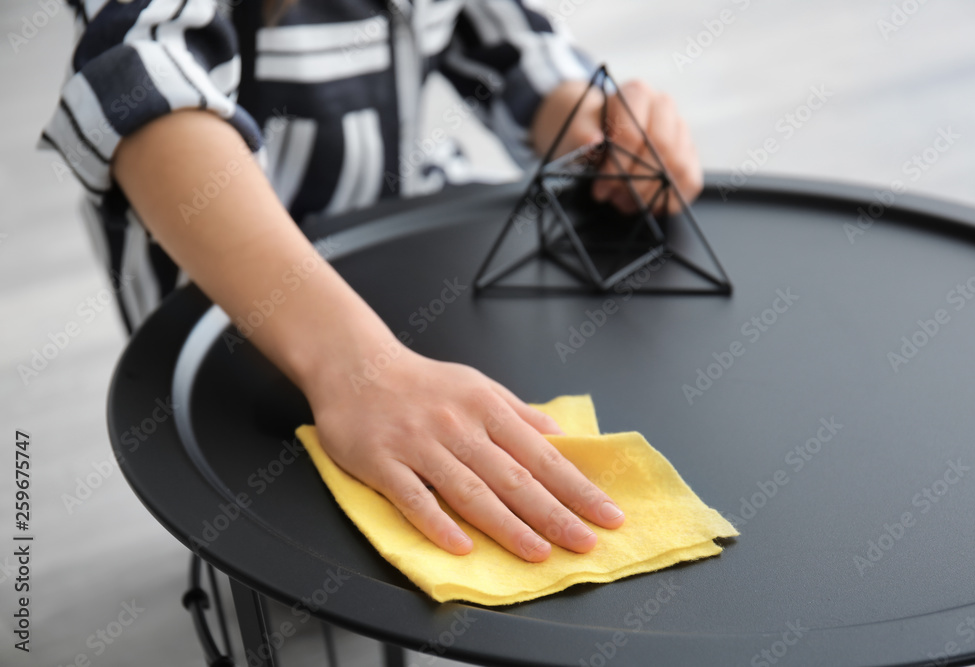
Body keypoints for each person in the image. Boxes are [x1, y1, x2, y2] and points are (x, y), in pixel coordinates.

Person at [42, 0, 703, 562]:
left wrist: (589, 121)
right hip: (231, 299)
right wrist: (358, 366)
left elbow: (504, 41)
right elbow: (139, 91)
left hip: (405, 255)